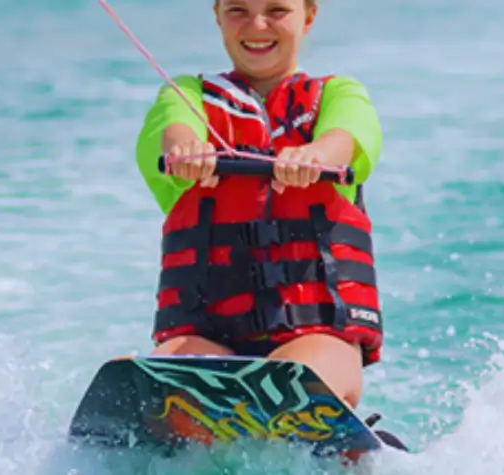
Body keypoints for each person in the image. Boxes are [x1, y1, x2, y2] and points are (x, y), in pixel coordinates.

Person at [133, 0, 385, 411]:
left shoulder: (339, 94)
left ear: (309, 16)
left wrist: (316, 156)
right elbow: (173, 132)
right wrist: (188, 151)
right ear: (216, 15)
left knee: (296, 379)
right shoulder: (185, 96)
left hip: (318, 337)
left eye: (276, 10)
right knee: (172, 384)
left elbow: (350, 136)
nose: (257, 24)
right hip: (206, 336)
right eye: (238, 10)